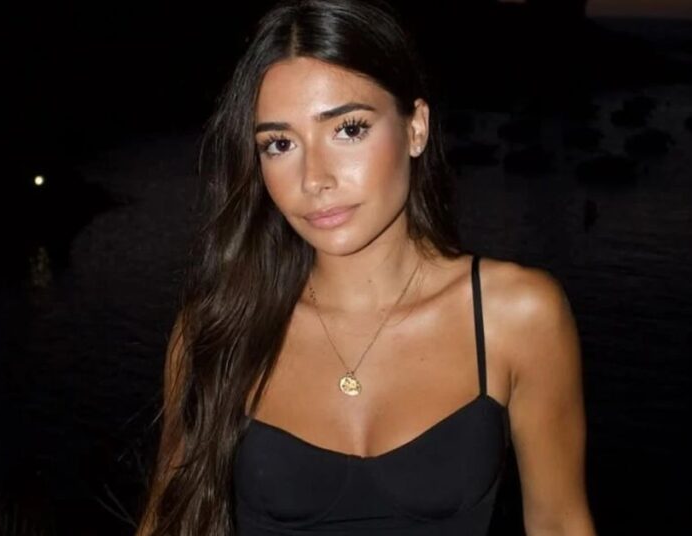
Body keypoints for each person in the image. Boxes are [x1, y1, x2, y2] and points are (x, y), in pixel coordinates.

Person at [135, 1, 594, 534]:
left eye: (348, 129)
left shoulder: (516, 317)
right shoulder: (216, 330)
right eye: (280, 144)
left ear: (416, 127)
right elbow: (166, 520)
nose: (314, 178)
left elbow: (559, 522)